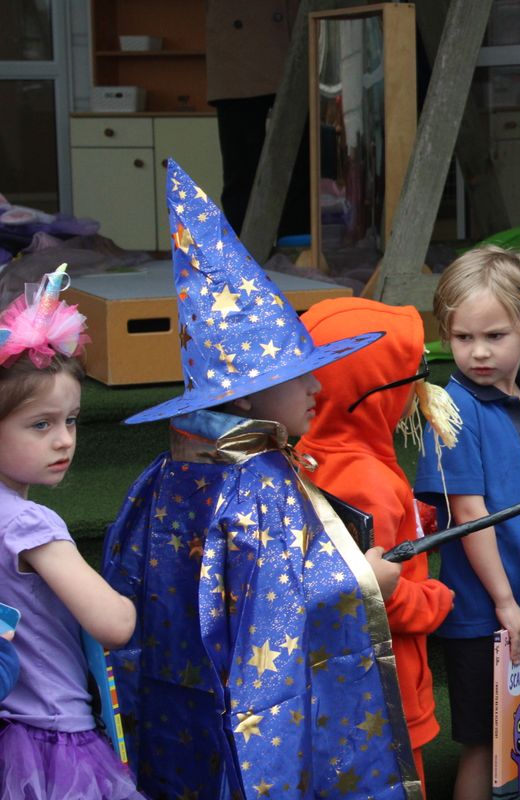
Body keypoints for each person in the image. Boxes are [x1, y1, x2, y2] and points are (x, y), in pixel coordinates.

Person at [102, 160, 420, 798]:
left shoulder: (164, 475)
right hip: (252, 718)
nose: (317, 385)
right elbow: (275, 607)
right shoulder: (259, 484)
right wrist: (366, 581)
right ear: (245, 398)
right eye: (298, 375)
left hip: (183, 710)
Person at [297, 297, 461, 789]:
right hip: (384, 689)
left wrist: (416, 521)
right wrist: (433, 601)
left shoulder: (312, 452)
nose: (419, 388)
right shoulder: (367, 478)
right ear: (373, 392)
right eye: (414, 375)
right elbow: (371, 588)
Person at [413, 244, 520, 800]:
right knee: (483, 743)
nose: (477, 352)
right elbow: (470, 514)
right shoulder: (451, 409)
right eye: (462, 337)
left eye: (495, 336)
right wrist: (505, 602)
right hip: (482, 611)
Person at [0, 267, 142, 798]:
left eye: (72, 420)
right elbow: (114, 625)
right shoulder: (30, 524)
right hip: (55, 738)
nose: (64, 440)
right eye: (41, 424)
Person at [205, 0, 309, 237]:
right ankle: (244, 246)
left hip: (295, 47)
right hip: (236, 56)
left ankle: (295, 244)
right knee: (242, 169)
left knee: (298, 166)